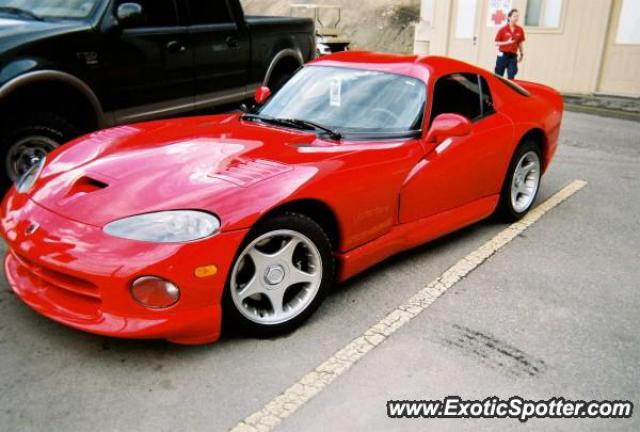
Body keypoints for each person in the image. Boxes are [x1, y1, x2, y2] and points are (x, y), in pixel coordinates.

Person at [494, 9, 525, 80]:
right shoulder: (503, 29)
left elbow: (520, 43)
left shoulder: (520, 30)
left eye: (517, 16)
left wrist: (522, 53)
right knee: (498, 76)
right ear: (509, 17)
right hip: (503, 55)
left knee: (511, 77)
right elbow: (496, 43)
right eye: (514, 16)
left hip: (513, 57)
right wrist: (507, 42)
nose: (516, 18)